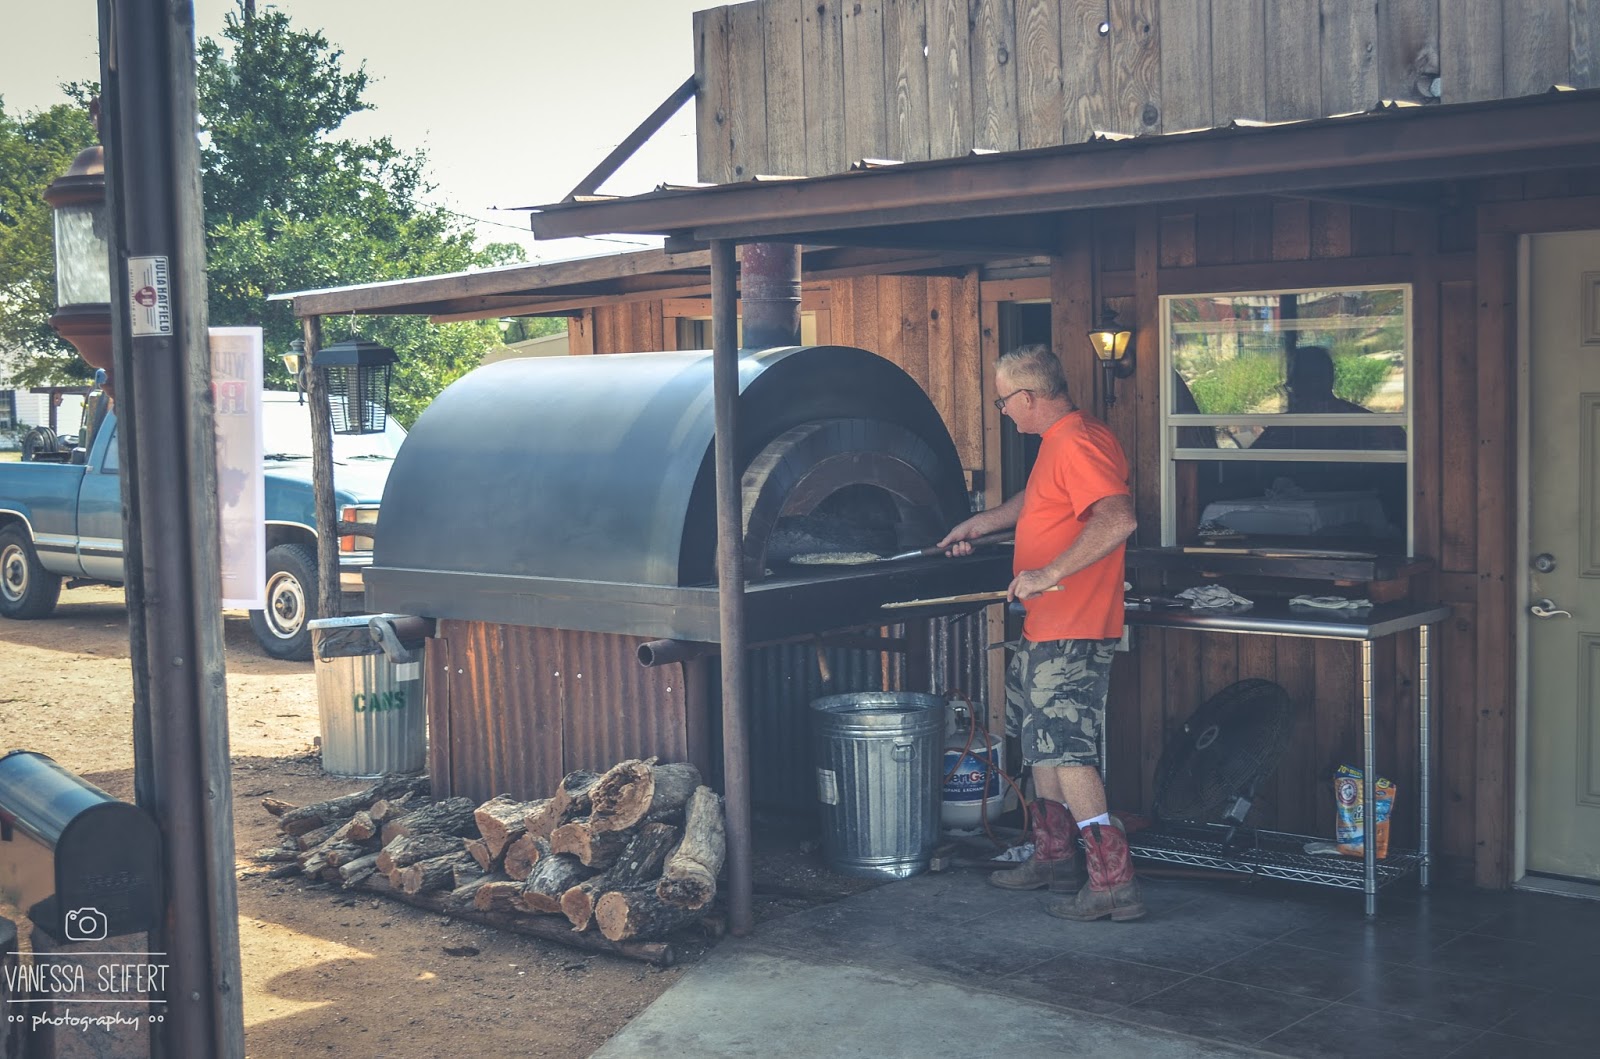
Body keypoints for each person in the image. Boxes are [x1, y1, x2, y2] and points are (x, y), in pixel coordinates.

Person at [937, 344, 1143, 922]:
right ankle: (1055, 857)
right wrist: (982, 526)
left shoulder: (1078, 440)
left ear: (1027, 397)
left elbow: (1118, 517)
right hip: (1047, 624)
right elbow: (1039, 503)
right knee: (1041, 746)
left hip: (1074, 625)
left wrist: (1048, 572)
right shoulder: (1060, 444)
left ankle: (1113, 882)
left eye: (1004, 401)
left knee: (1067, 750)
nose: (1003, 410)